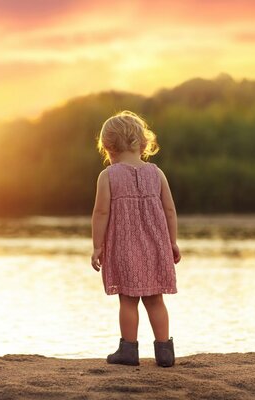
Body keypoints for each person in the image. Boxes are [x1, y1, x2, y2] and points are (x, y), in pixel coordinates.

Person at [91, 110, 181, 367]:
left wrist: (98, 246)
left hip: (124, 247)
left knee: (128, 300)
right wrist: (172, 242)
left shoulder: (108, 176)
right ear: (143, 144)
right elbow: (170, 211)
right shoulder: (157, 173)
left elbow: (101, 212)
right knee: (155, 299)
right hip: (156, 246)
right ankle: (164, 352)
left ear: (108, 147)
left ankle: (129, 351)